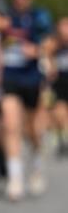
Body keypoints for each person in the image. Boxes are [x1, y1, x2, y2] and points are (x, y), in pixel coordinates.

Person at [0, 0, 53, 199]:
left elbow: (50, 43)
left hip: (31, 78)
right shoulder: (4, 17)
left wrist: (38, 50)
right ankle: (16, 178)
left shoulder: (39, 16)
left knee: (33, 130)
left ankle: (37, 166)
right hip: (10, 77)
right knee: (11, 126)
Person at [47, 16, 68, 156]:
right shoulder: (54, 44)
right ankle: (62, 136)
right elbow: (47, 58)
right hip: (59, 81)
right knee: (59, 111)